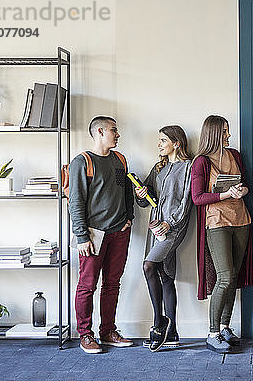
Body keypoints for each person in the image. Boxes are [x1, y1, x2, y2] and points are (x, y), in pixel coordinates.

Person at [69, 115, 135, 354]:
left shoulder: (120, 160)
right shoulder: (82, 162)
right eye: (113, 130)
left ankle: (107, 331)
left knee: (112, 284)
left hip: (119, 232)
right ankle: (85, 334)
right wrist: (81, 236)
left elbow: (126, 190)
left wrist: (129, 218)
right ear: (99, 131)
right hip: (93, 234)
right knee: (87, 285)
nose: (117, 135)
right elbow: (76, 202)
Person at [190, 115, 253, 354]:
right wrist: (226, 195)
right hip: (216, 222)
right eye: (225, 131)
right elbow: (198, 198)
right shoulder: (201, 162)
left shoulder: (234, 155)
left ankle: (226, 327)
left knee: (234, 276)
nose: (228, 135)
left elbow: (245, 183)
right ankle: (212, 332)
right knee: (224, 276)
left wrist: (242, 190)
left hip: (241, 219)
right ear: (214, 133)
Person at [134, 126, 193, 352]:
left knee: (149, 265)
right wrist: (141, 195)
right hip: (156, 227)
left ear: (177, 143)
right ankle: (173, 331)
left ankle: (159, 323)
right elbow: (147, 200)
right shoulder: (159, 167)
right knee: (164, 274)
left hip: (173, 228)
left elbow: (186, 200)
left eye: (163, 140)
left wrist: (172, 222)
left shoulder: (188, 167)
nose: (159, 144)